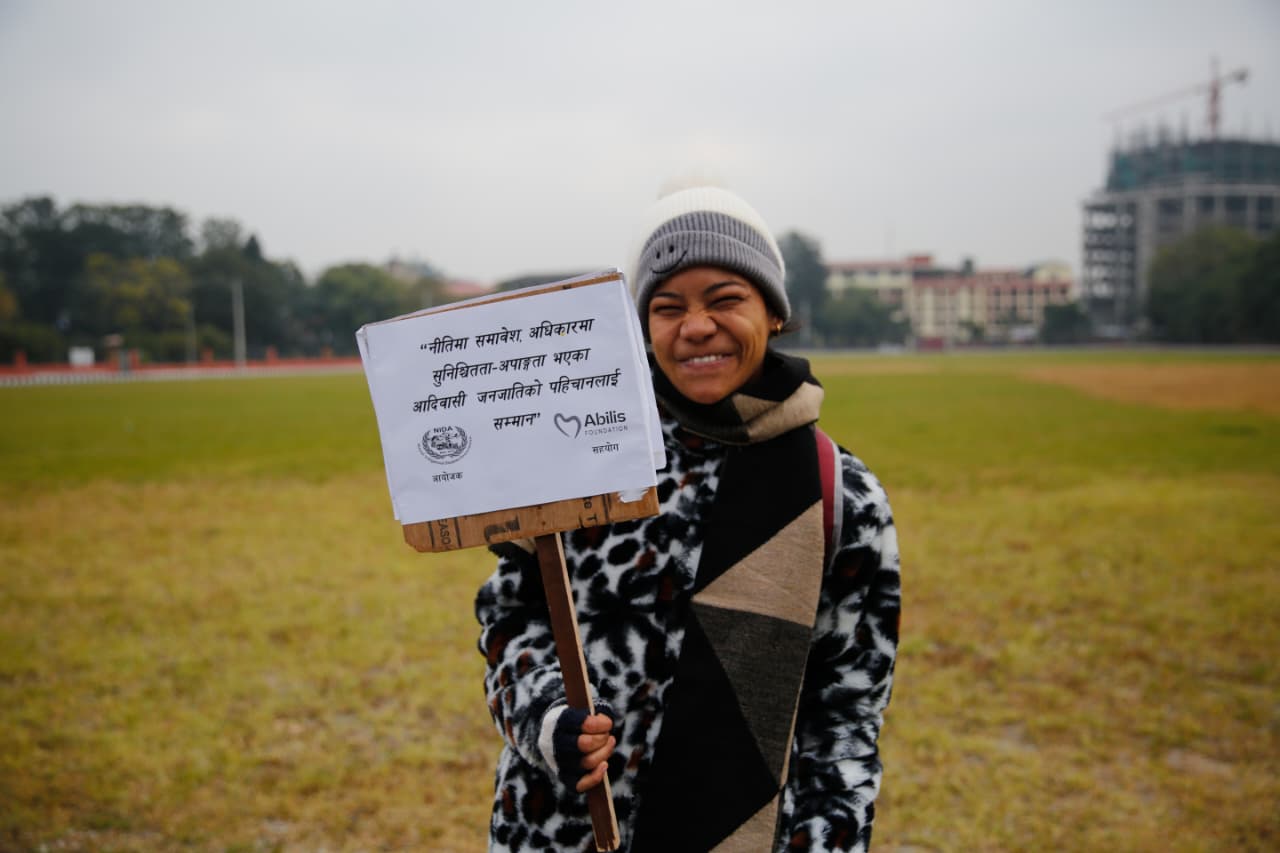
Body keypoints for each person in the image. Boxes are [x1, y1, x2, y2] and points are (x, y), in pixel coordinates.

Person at [476, 186, 900, 852]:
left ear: (775, 313)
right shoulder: (578, 461)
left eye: (725, 299)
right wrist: (548, 719)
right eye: (667, 307)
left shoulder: (842, 493)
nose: (696, 327)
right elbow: (511, 620)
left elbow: (845, 720)